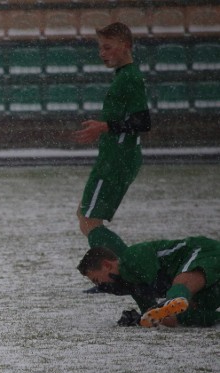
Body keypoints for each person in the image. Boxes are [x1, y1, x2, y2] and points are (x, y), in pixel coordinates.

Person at [72, 22, 151, 254]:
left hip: (117, 160)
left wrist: (104, 126)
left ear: (126, 46)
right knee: (85, 216)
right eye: (100, 49)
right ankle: (121, 272)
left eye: (108, 48)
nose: (102, 54)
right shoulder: (124, 75)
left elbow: (143, 122)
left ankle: (126, 271)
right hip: (114, 158)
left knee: (89, 219)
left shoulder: (130, 78)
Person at [77, 232, 220, 328]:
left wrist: (159, 304)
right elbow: (152, 314)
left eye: (96, 280)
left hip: (204, 252)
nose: (99, 285)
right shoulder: (131, 282)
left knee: (180, 286)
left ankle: (177, 298)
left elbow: (154, 280)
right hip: (210, 283)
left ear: (107, 265)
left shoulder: (132, 256)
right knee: (173, 318)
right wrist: (140, 319)